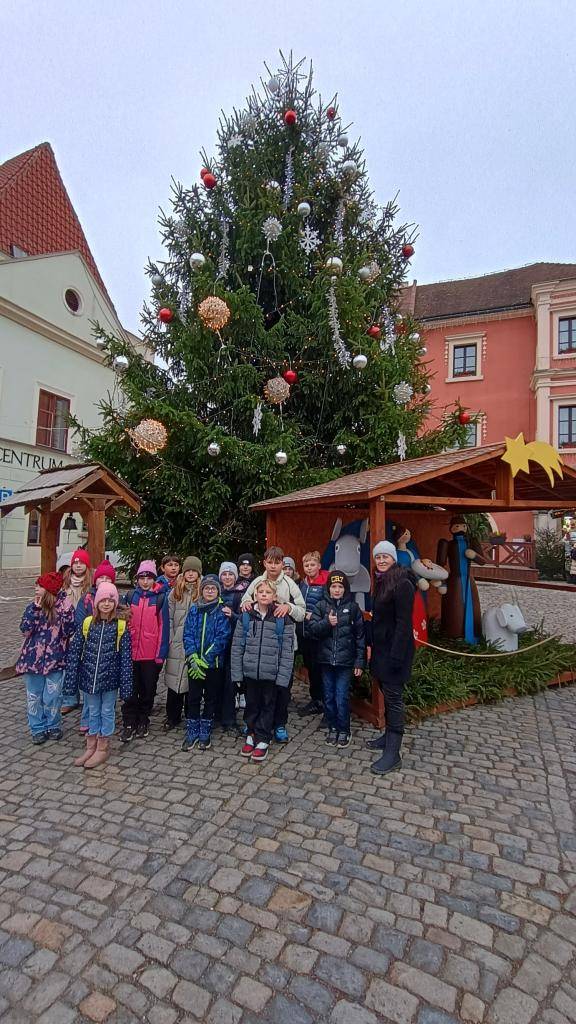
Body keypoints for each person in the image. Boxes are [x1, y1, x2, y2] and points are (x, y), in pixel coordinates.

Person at [64, 583, 132, 768]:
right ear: (96, 603)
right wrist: (70, 681)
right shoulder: (87, 623)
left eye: (110, 600)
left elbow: (126, 659)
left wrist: (126, 687)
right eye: (103, 600)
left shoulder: (121, 627)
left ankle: (103, 747)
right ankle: (91, 746)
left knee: (107, 711)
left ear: (115, 603)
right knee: (93, 711)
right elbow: (75, 653)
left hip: (110, 680)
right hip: (89, 678)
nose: (106, 604)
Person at [366, 541, 416, 775]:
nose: (381, 560)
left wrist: (396, 656)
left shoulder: (402, 584)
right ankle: (387, 737)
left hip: (396, 651)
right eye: (378, 557)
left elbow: (404, 623)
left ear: (393, 558)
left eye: (385, 556)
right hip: (382, 649)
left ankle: (393, 753)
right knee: (386, 693)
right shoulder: (381, 580)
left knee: (394, 699)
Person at [232, 579, 295, 763]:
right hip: (250, 671)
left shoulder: (282, 618)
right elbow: (237, 647)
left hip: (271, 673)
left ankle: (263, 738)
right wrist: (237, 673)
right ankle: (251, 733)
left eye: (268, 592)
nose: (264, 595)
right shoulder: (246, 616)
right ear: (255, 595)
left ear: (274, 596)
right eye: (261, 592)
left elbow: (287, 651)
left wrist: (283, 677)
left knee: (268, 705)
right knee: (252, 704)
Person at [15, 572, 75, 744]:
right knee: (34, 696)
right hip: (32, 661)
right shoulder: (33, 607)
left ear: (49, 590)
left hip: (55, 661)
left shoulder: (63, 608)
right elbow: (25, 629)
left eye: (40, 586)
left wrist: (66, 611)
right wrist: (34, 611)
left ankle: (53, 725)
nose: (36, 588)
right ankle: (38, 728)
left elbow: (69, 631)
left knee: (53, 696)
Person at [307, 570, 365, 747]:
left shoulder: (353, 608)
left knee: (341, 697)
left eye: (340, 586)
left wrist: (359, 661)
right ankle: (332, 727)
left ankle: (344, 729)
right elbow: (312, 629)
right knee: (328, 696)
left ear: (345, 588)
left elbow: (360, 637)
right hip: (326, 660)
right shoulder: (321, 606)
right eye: (334, 586)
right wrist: (327, 623)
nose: (337, 590)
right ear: (328, 588)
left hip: (345, 662)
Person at [121, 560, 170, 742]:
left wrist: (160, 654)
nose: (145, 581)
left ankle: (143, 719)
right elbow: (123, 623)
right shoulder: (130, 596)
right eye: (142, 578)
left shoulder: (160, 599)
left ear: (153, 579)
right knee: (130, 689)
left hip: (150, 654)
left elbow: (164, 627)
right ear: (137, 579)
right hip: (131, 653)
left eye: (148, 578)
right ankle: (129, 721)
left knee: (148, 689)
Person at [181, 575, 231, 752]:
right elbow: (187, 633)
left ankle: (205, 729)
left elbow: (222, 637)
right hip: (194, 664)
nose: (210, 591)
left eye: (213, 588)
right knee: (193, 697)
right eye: (207, 588)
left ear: (218, 591)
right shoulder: (195, 609)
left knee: (211, 697)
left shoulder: (221, 611)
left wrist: (206, 659)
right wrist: (193, 656)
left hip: (213, 664)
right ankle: (192, 729)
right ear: (201, 590)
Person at [73, 558, 118, 735]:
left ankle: (102, 735)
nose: (104, 581)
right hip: (90, 651)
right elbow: (79, 621)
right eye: (101, 578)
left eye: (108, 579)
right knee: (90, 695)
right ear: (95, 579)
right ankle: (87, 724)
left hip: (107, 658)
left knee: (104, 702)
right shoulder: (87, 598)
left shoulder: (115, 598)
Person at [163, 556, 202, 731]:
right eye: (188, 571)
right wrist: (171, 637)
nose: (191, 574)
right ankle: (172, 716)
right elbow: (169, 617)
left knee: (191, 681)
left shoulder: (201, 592)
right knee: (174, 680)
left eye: (194, 571)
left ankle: (190, 715)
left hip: (194, 642)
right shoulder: (175, 593)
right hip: (177, 641)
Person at [61, 549, 92, 714]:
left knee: (86, 664)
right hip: (68, 631)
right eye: (75, 562)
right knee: (69, 666)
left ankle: (88, 698)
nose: (78, 565)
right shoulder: (64, 584)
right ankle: (70, 698)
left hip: (85, 628)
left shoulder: (91, 585)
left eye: (81, 563)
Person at [298, 550, 330, 716]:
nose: (309, 568)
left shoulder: (325, 584)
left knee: (319, 669)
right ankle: (316, 699)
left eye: (312, 564)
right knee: (311, 668)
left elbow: (330, 606)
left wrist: (315, 616)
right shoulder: (303, 584)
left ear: (319, 565)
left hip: (319, 635)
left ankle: (324, 702)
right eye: (306, 565)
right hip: (306, 633)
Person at [218, 561, 242, 731]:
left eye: (230, 574)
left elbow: (245, 620)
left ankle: (229, 719)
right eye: (224, 574)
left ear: (235, 577)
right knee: (215, 681)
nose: (227, 577)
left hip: (233, 644)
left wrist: (232, 615)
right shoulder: (214, 591)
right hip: (217, 644)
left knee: (230, 683)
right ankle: (215, 715)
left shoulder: (240, 596)